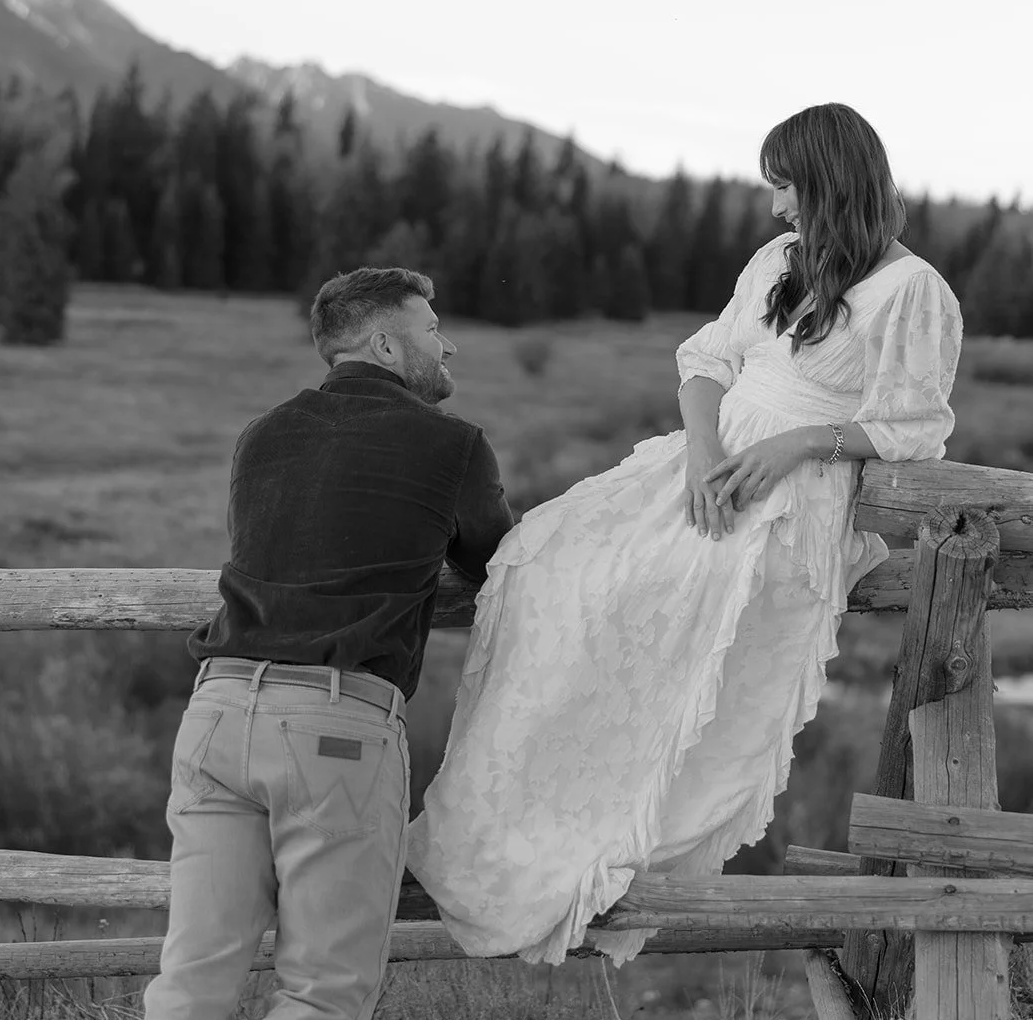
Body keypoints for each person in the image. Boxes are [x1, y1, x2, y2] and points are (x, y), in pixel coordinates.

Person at [406, 103, 963, 966]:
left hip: (796, 486)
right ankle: (521, 812)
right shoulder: (780, 260)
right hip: (706, 461)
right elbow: (706, 360)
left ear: (826, 183)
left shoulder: (911, 289)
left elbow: (913, 428)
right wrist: (704, 450)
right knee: (544, 564)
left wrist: (792, 445)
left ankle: (609, 842)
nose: (777, 207)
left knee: (683, 640)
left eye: (785, 187)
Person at [124, 267, 513, 1020]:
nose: (445, 344)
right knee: (324, 992)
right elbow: (499, 557)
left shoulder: (262, 435)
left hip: (216, 710)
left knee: (193, 980)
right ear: (383, 344)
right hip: (333, 728)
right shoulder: (450, 445)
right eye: (430, 327)